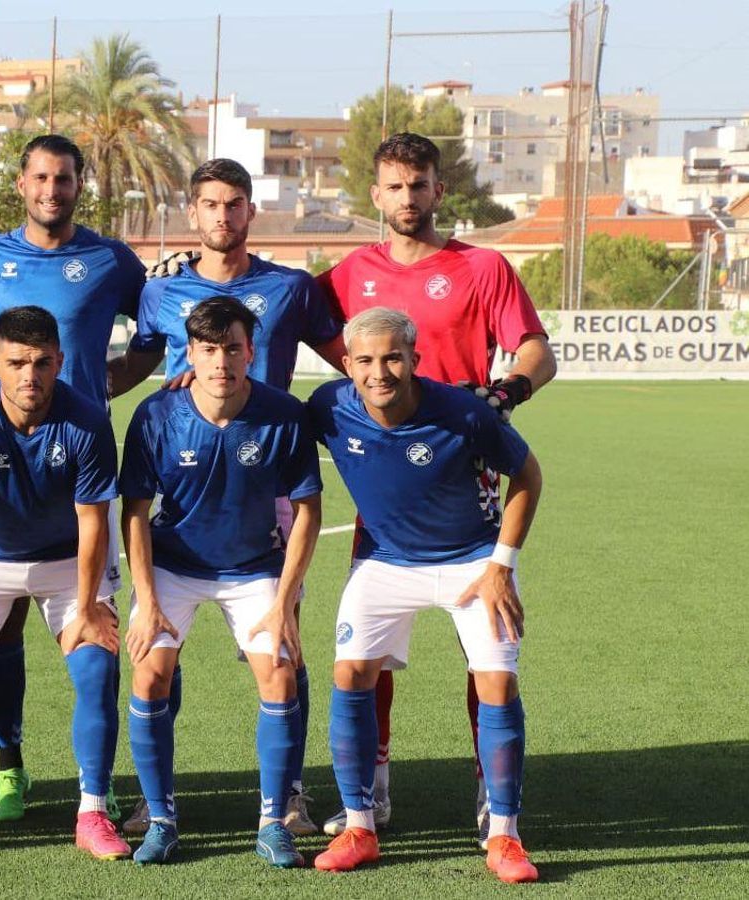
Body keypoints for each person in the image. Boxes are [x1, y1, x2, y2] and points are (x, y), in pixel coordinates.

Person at [315, 132, 557, 839]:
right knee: (371, 647)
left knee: (483, 644)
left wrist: (505, 393)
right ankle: (375, 788)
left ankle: (491, 789)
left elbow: (537, 349)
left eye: (419, 185)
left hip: (466, 466)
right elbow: (281, 326)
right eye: (394, 186)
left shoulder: (482, 267)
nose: (407, 198)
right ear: (375, 195)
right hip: (384, 478)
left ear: (438, 191)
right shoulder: (344, 273)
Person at [113, 157, 343, 836]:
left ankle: (290, 794)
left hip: (266, 477)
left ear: (249, 211)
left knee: (280, 651)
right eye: (210, 204)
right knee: (160, 650)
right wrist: (82, 391)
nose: (222, 216)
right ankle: (157, 797)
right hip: (187, 469)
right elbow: (142, 365)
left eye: (235, 203)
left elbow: (343, 357)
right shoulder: (162, 295)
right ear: (194, 213)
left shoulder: (290, 288)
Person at [308, 307, 542, 884]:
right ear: (347, 365)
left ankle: (505, 836)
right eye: (365, 360)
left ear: (414, 359)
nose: (379, 371)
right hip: (385, 562)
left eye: (392, 357)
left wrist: (501, 566)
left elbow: (528, 476)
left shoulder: (463, 414)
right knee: (350, 673)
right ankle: (360, 825)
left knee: (496, 681)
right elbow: (258, 412)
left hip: (471, 561)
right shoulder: (328, 406)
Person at [0, 133, 147, 822]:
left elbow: (151, 329)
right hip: (9, 456)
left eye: (63, 179)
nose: (51, 190)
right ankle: (10, 768)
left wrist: (106, 381)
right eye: (40, 177)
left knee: (95, 636)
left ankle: (100, 785)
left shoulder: (109, 258)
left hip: (80, 451)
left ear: (78, 186)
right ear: (20, 183)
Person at [118, 297, 323, 866]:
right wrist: (148, 601)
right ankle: (159, 819)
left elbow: (308, 511)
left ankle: (273, 821)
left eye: (233, 348)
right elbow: (134, 512)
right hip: (173, 567)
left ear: (251, 352)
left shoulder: (283, 415)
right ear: (191, 353)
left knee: (280, 676)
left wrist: (284, 603)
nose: (221, 362)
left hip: (254, 568)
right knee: (149, 671)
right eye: (209, 350)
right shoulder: (156, 415)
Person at [0, 306, 125, 860]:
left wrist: (85, 607)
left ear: (59, 362)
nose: (28, 376)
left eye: (40, 363)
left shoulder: (86, 422)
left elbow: (93, 523)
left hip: (67, 559)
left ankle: (94, 811)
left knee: (95, 663)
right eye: (15, 363)